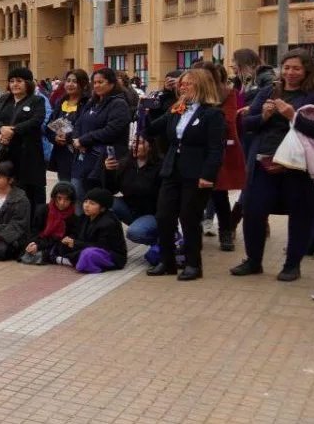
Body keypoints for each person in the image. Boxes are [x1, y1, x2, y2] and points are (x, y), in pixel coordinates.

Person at [233, 49, 314, 281]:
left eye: (296, 68)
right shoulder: (269, 90)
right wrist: (264, 117)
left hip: (296, 166)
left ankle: (292, 265)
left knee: (299, 215)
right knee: (253, 211)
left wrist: (293, 116)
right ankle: (253, 261)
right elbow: (247, 124)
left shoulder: (312, 95)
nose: (290, 72)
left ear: (307, 70)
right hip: (264, 162)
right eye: (287, 67)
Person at [143, 68, 226, 281]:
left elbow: (216, 149)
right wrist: (148, 110)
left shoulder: (212, 114)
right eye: (182, 84)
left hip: (196, 172)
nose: (183, 87)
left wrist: (208, 175)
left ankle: (193, 264)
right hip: (172, 169)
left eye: (188, 83)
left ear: (201, 86)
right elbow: (152, 129)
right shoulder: (177, 109)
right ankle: (167, 261)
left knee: (189, 217)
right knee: (164, 216)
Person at [191, 61, 247, 251]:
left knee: (219, 193)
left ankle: (226, 232)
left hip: (219, 149)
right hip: (194, 150)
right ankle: (194, 231)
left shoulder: (227, 93)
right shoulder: (191, 94)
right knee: (193, 194)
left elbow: (228, 120)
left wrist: (202, 123)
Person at [70, 68, 131, 197]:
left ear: (112, 83)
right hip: (82, 158)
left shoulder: (119, 104)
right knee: (77, 196)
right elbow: (78, 123)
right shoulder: (92, 102)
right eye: (94, 82)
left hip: (101, 161)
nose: (96, 85)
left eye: (100, 82)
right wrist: (76, 140)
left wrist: (84, 140)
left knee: (95, 199)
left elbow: (111, 130)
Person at [0, 67, 47, 205]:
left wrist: (14, 130)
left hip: (29, 155)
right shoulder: (5, 99)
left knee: (30, 192)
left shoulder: (37, 100)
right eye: (12, 81)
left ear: (28, 83)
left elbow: (36, 120)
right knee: (8, 190)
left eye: (19, 81)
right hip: (6, 154)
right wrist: (1, 128)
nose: (15, 84)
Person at [56, 188, 128, 274]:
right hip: (87, 246)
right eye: (85, 201)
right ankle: (71, 259)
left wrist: (76, 244)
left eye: (92, 203)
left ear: (102, 208)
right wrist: (69, 240)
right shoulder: (85, 217)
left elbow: (102, 246)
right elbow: (77, 234)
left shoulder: (108, 223)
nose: (86, 205)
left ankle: (71, 260)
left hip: (110, 255)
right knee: (62, 244)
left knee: (88, 254)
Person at [106, 135, 161, 246]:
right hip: (130, 209)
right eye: (133, 142)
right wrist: (109, 172)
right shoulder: (125, 163)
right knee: (105, 203)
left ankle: (162, 243)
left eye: (139, 143)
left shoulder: (160, 166)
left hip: (152, 213)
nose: (134, 146)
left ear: (150, 146)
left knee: (134, 233)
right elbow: (111, 189)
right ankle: (112, 243)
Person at [46, 69, 89, 182]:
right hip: (62, 155)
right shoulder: (61, 102)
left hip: (80, 155)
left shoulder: (88, 103)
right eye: (68, 81)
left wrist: (69, 137)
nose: (70, 84)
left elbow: (87, 128)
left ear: (83, 84)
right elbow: (49, 126)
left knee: (77, 187)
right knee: (65, 188)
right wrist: (55, 138)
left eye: (74, 81)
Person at [20, 182, 76, 265]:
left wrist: (39, 246)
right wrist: (33, 243)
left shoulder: (73, 217)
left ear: (71, 201)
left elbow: (66, 237)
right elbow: (35, 231)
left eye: (66, 199)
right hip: (41, 240)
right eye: (59, 198)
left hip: (56, 243)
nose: (62, 202)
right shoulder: (43, 210)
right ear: (54, 197)